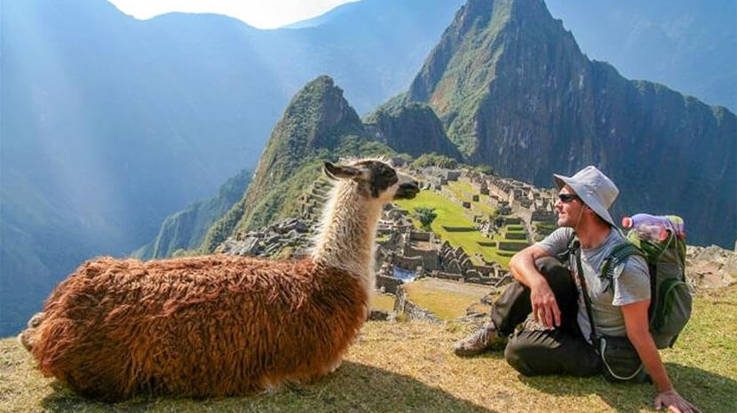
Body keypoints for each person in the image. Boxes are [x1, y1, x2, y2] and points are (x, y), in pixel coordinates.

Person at [453, 166, 699, 413]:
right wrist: (539, 285)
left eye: (565, 197)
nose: (556, 203)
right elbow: (519, 259)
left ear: (589, 207)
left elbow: (639, 334)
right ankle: (495, 331)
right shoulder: (570, 235)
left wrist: (666, 389)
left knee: (518, 351)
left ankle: (540, 344)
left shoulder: (625, 266)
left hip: (600, 348)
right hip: (579, 320)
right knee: (543, 268)